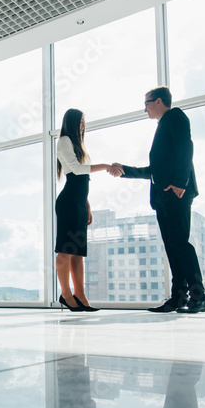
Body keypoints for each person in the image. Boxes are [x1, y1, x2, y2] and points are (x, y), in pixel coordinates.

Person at [112, 87, 205, 313]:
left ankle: (198, 296)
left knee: (181, 245)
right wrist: (123, 170)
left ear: (158, 101)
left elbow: (187, 148)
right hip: (164, 196)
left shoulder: (175, 117)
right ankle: (178, 298)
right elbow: (155, 171)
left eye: (146, 103)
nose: (144, 108)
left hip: (177, 193)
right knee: (173, 247)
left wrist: (180, 183)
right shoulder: (163, 126)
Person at [55, 108, 121, 311]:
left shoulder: (80, 146)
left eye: (85, 122)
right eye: (81, 121)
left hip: (79, 203)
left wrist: (87, 205)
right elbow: (75, 170)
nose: (84, 125)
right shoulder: (64, 140)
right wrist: (105, 166)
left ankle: (81, 296)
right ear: (72, 122)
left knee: (77, 252)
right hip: (68, 203)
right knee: (65, 251)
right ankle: (66, 295)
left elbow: (84, 181)